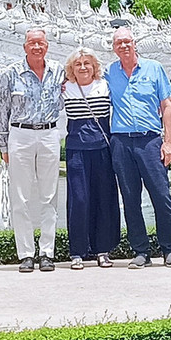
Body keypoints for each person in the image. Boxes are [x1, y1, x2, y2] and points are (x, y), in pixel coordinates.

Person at [106, 27, 171, 268]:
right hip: (121, 141)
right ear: (114, 48)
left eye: (127, 41)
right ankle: (140, 251)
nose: (123, 46)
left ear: (134, 43)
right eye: (118, 43)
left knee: (161, 195)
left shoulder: (154, 68)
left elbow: (167, 106)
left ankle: (169, 249)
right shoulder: (109, 72)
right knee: (130, 199)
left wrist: (168, 142)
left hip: (150, 140)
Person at [0, 28, 65, 273]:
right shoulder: (11, 73)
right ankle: (25, 254)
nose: (37, 47)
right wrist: (3, 145)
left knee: (49, 195)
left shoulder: (58, 72)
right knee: (20, 197)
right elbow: (0, 111)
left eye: (40, 43)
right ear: (25, 47)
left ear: (47, 46)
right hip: (20, 134)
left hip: (49, 133)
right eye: (32, 43)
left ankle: (47, 252)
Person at [63, 48, 120, 269]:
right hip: (77, 150)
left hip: (102, 149)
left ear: (94, 66)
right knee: (79, 200)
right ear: (71, 68)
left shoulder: (104, 86)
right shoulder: (65, 88)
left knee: (103, 198)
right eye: (78, 64)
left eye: (87, 63)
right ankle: (77, 251)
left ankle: (102, 250)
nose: (83, 67)